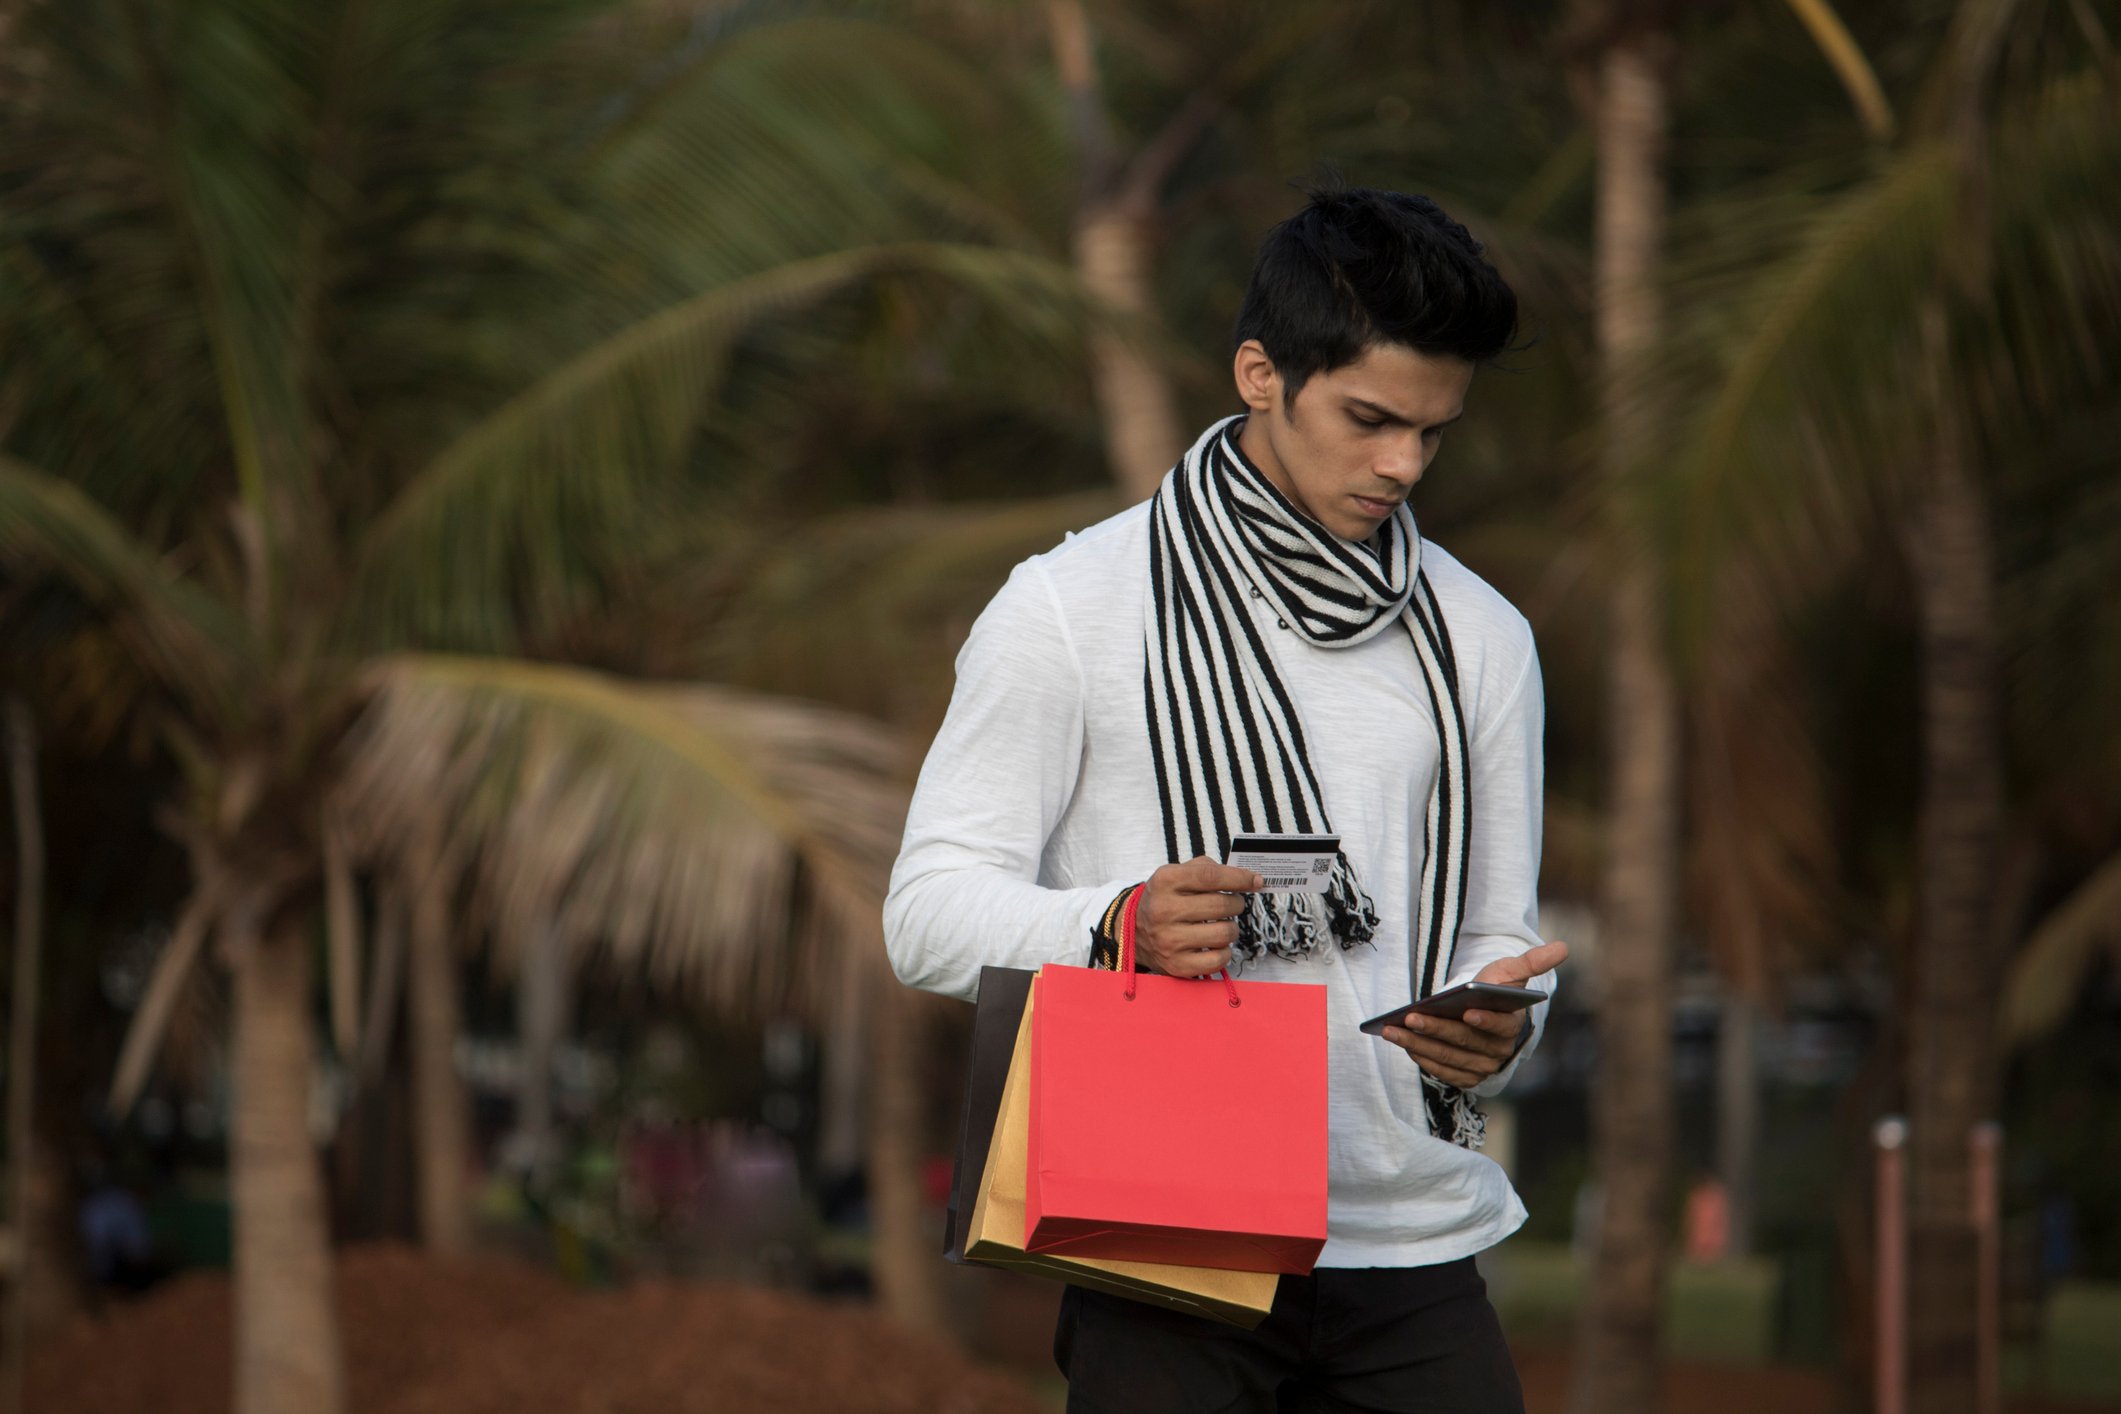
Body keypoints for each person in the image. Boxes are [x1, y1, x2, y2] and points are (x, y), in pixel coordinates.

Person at [885, 185, 1566, 1413]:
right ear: (1261, 372)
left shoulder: (1482, 636)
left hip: (1410, 1240)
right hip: (1163, 1237)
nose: (1402, 463)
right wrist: (1114, 925)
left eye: (1433, 430)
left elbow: (1494, 931)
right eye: (1368, 419)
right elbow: (925, 911)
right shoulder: (1070, 606)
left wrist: (1504, 1019)